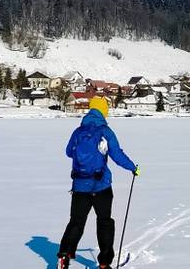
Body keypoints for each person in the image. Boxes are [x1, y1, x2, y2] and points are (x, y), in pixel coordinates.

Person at [57, 96, 139, 269]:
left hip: (80, 185)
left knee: (76, 222)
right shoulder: (105, 131)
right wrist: (133, 168)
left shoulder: (78, 131)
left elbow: (68, 152)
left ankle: (65, 255)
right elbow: (117, 155)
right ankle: (104, 262)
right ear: (103, 111)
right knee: (104, 222)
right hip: (101, 186)